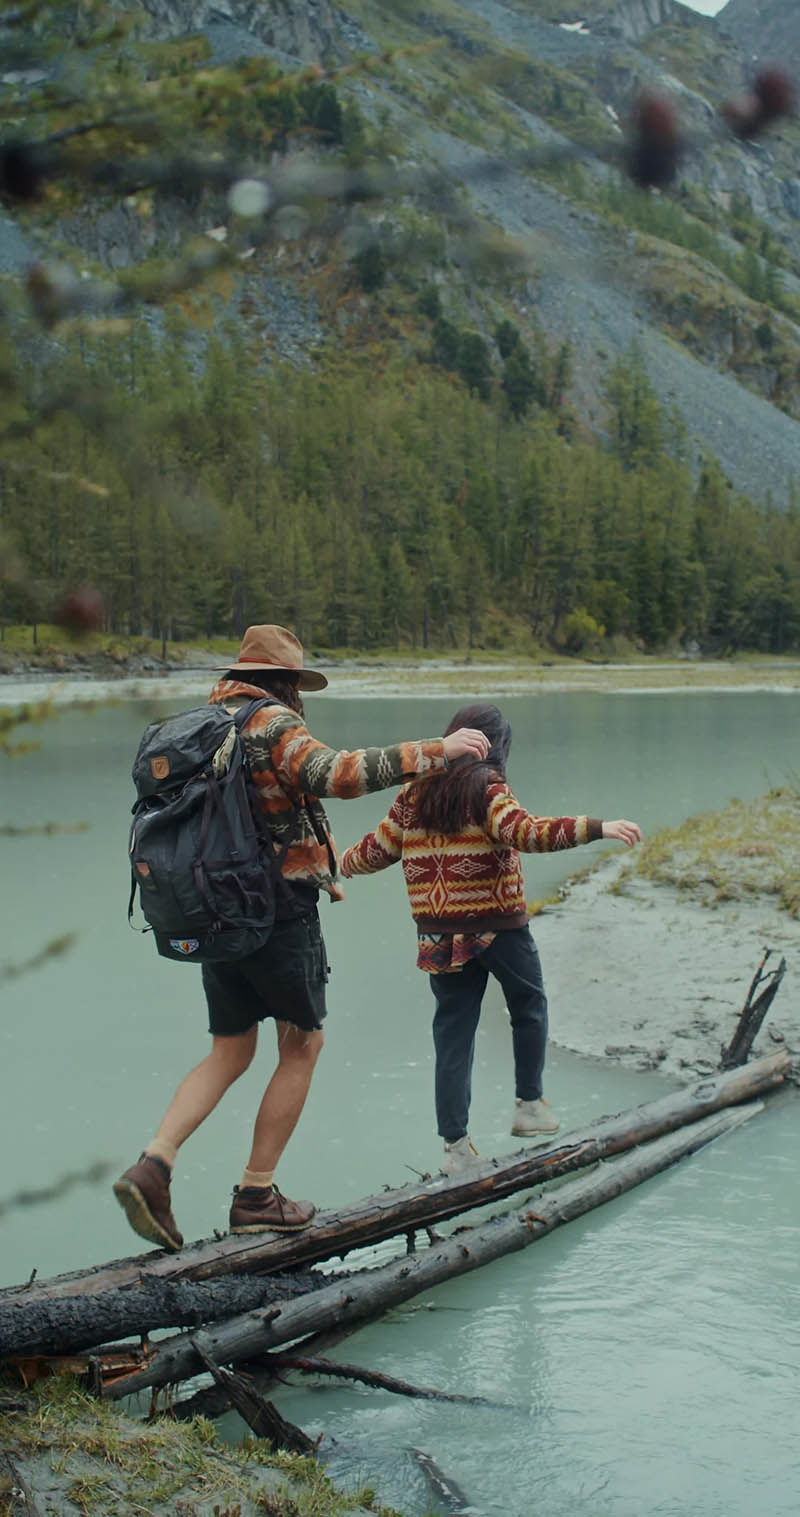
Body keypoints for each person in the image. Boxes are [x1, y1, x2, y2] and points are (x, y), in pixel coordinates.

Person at [114, 626, 490, 1249]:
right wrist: (439, 750)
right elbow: (336, 774)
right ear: (285, 682)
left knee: (229, 1050)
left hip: (216, 915)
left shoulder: (206, 724)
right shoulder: (271, 724)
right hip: (278, 914)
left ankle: (153, 1164)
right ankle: (258, 1195)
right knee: (302, 1045)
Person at [340, 701, 641, 1175]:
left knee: (452, 1035)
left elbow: (376, 849)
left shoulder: (413, 792)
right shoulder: (487, 787)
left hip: (439, 933)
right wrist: (597, 828)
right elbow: (526, 833)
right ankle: (529, 1107)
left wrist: (334, 867)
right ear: (496, 746)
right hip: (497, 927)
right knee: (529, 1005)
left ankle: (455, 1149)